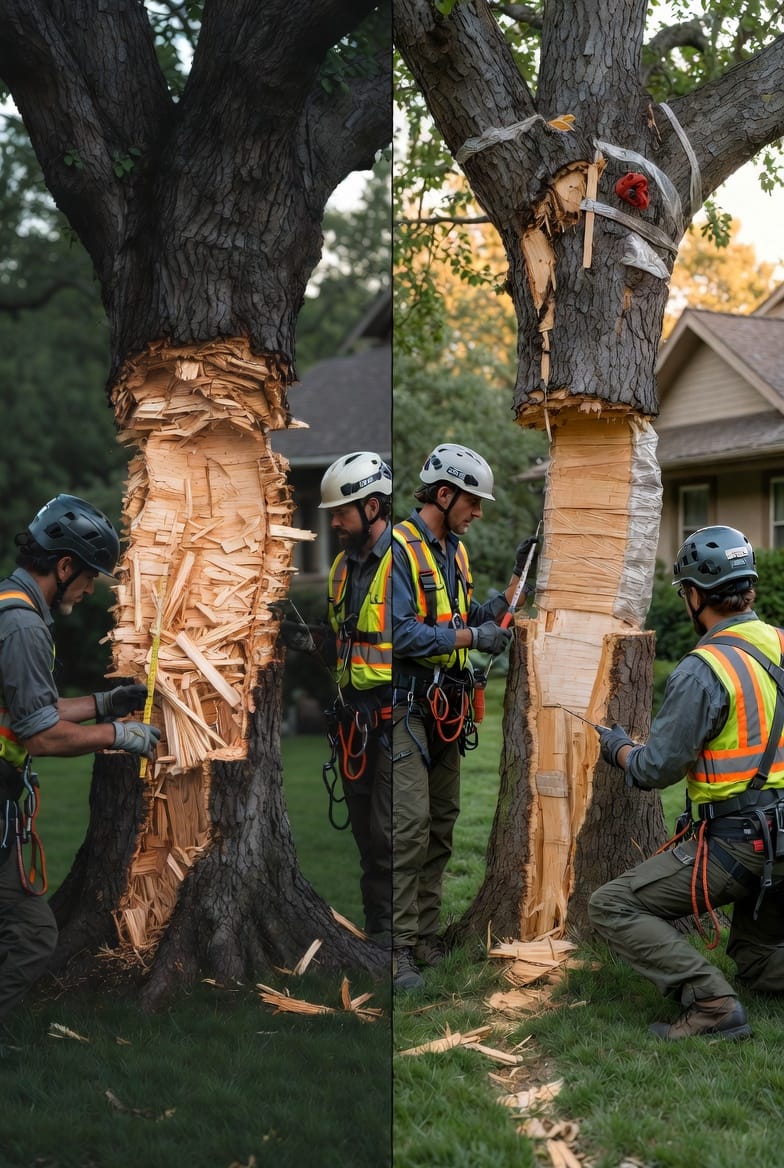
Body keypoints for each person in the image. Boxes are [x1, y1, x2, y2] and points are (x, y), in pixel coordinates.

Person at [589, 525, 784, 1041]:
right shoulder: (782, 643)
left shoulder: (705, 668)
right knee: (757, 957)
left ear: (696, 595)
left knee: (611, 904)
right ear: (748, 588)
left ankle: (712, 1004)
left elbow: (656, 769)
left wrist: (618, 748)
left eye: (685, 593)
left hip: (738, 846)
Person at [0, 494, 161, 1032]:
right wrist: (118, 735)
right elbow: (42, 735)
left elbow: (31, 710)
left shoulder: (12, 607)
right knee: (31, 936)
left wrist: (102, 703)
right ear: (64, 566)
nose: (92, 589)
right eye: (89, 575)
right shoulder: (23, 626)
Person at [391, 443, 537, 990]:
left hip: (446, 707)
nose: (479, 512)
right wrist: (476, 636)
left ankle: (425, 934)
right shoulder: (398, 550)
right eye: (473, 502)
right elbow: (400, 631)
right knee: (409, 828)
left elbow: (462, 613)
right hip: (404, 707)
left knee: (442, 825)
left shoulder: (453, 551)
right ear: (445, 493)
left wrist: (507, 594)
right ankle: (397, 946)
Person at [282, 453, 393, 949]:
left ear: (372, 507)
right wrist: (309, 641)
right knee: (368, 843)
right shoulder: (343, 570)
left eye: (340, 512)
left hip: (396, 722)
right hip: (353, 726)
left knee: (392, 839)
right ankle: (379, 933)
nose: (331, 521)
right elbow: (345, 643)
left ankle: (401, 938)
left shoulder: (403, 564)